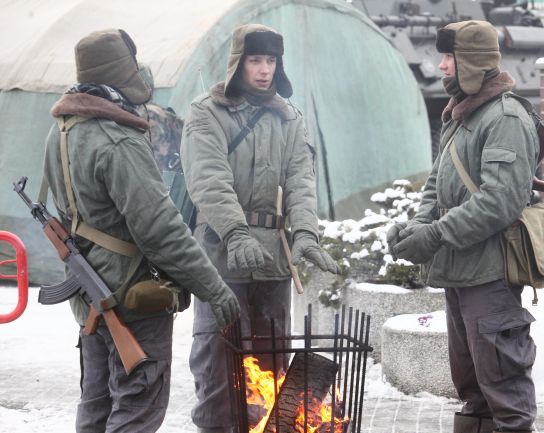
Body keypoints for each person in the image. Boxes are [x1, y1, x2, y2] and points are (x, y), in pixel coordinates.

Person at [42, 28, 239, 433]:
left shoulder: (62, 131)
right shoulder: (118, 140)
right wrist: (214, 289)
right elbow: (161, 231)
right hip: (131, 296)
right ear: (123, 72)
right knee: (137, 407)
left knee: (96, 405)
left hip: (89, 293)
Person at [180, 24, 340, 433]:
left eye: (271, 60)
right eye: (256, 60)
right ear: (238, 63)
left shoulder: (289, 116)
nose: (265, 69)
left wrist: (305, 233)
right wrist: (235, 232)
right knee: (220, 360)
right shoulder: (206, 112)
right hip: (220, 256)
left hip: (272, 260)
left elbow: (302, 181)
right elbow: (208, 179)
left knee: (270, 363)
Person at [388, 20, 540, 433]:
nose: (440, 67)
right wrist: (415, 228)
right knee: (472, 388)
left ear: (472, 61)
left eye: (449, 58)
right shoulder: (461, 114)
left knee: (504, 389)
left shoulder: (505, 117)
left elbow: (499, 201)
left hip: (489, 275)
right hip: (459, 274)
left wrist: (434, 235)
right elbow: (437, 184)